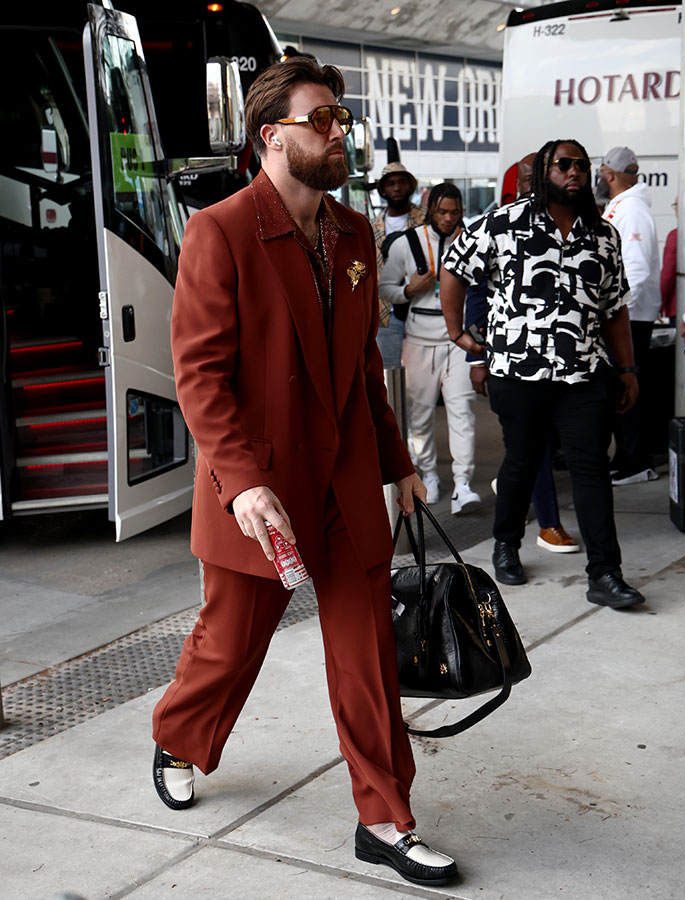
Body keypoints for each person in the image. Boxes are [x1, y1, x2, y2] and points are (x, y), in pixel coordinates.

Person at [150, 58, 458, 888]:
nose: (337, 133)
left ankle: (385, 818)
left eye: (341, 119)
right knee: (230, 645)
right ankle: (179, 736)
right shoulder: (219, 231)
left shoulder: (355, 235)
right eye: (320, 119)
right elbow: (201, 376)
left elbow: (363, 369)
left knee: (366, 658)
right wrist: (245, 482)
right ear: (271, 136)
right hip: (262, 493)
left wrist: (397, 465)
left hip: (349, 483)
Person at [440, 138, 645, 610]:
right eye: (563, 165)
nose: (573, 173)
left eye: (580, 165)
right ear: (545, 172)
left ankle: (605, 574)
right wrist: (459, 335)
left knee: (590, 466)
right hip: (518, 371)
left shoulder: (604, 235)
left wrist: (628, 369)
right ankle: (506, 544)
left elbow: (614, 309)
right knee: (523, 461)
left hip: (585, 374)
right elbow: (454, 269)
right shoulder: (503, 223)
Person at [467, 152, 579, 553]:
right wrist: (476, 357)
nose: (534, 186)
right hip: (509, 362)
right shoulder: (499, 226)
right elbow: (474, 294)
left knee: (534, 448)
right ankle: (546, 524)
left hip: (559, 364)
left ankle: (515, 485)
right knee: (533, 447)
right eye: (528, 179)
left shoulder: (566, 224)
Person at [379, 183, 480, 513]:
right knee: (419, 415)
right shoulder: (407, 243)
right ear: (430, 210)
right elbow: (385, 288)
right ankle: (429, 475)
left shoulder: (472, 240)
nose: (449, 219)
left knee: (462, 412)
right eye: (443, 212)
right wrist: (411, 289)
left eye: (455, 212)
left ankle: (463, 484)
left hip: (459, 339)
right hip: (420, 337)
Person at [600, 147, 662, 486]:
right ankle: (626, 457)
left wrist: (614, 313)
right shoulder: (625, 207)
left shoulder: (633, 210)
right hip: (627, 314)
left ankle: (635, 462)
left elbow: (635, 270)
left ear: (609, 174)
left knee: (627, 389)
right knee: (622, 389)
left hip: (630, 317)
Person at [372, 163, 426, 366]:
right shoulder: (373, 225)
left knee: (423, 373)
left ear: (411, 186)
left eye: (402, 182)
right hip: (387, 311)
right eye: (391, 184)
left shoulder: (426, 219)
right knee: (389, 371)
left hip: (422, 306)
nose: (396, 188)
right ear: (383, 190)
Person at [660, 198, 678, 324]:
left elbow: (668, 275)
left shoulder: (676, 236)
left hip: (680, 306)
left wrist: (658, 303)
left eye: (676, 205)